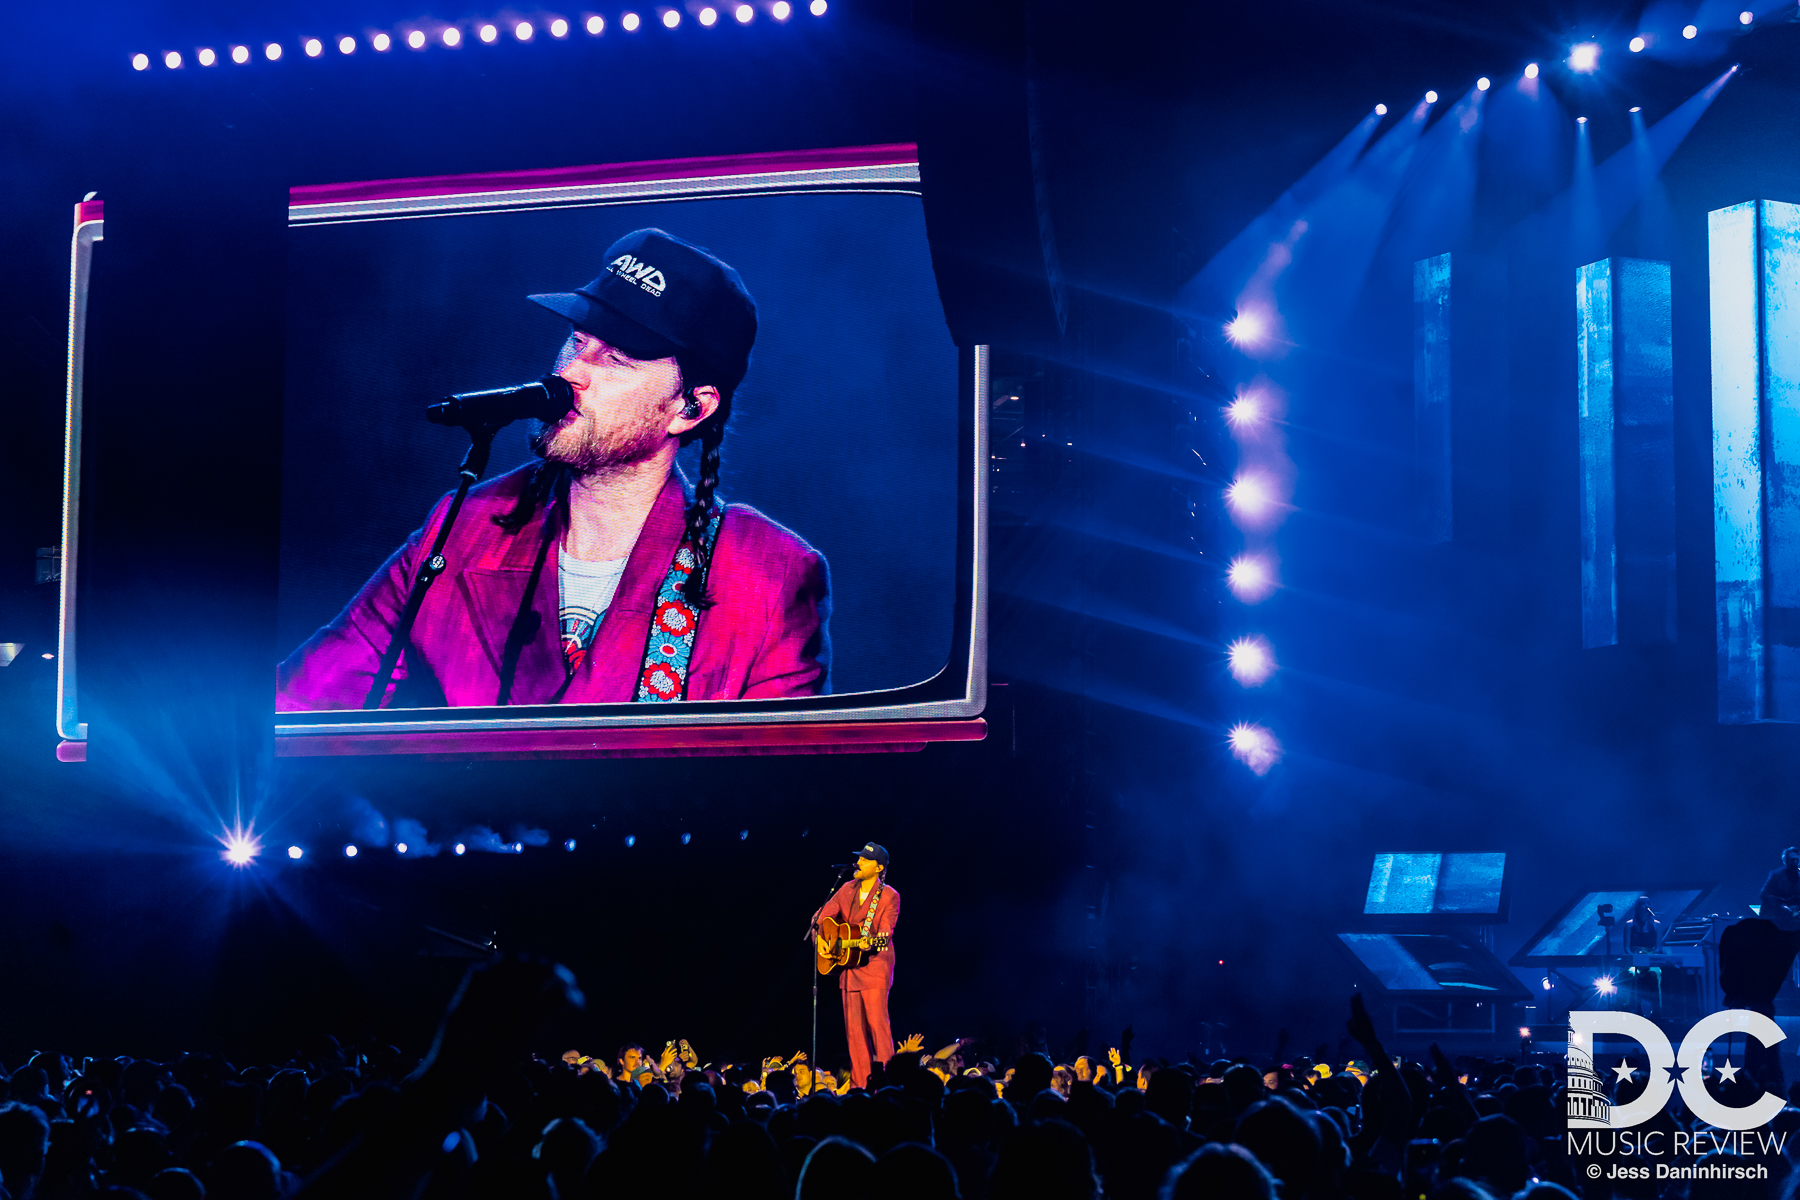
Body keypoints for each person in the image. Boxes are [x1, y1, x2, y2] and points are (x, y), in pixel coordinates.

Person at [278, 227, 832, 711]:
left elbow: (774, 788)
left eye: (616, 359)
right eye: (577, 340)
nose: (574, 372)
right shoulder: (462, 527)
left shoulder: (770, 573)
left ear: (691, 407)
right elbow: (301, 698)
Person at [814, 843, 901, 1089]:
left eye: (865, 860)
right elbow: (821, 918)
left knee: (877, 1026)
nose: (859, 863)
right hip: (849, 968)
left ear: (879, 868)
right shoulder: (846, 888)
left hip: (874, 966)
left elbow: (885, 932)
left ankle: (888, 1083)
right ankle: (860, 1085)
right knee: (854, 1032)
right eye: (859, 858)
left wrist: (869, 943)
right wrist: (823, 940)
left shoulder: (888, 895)